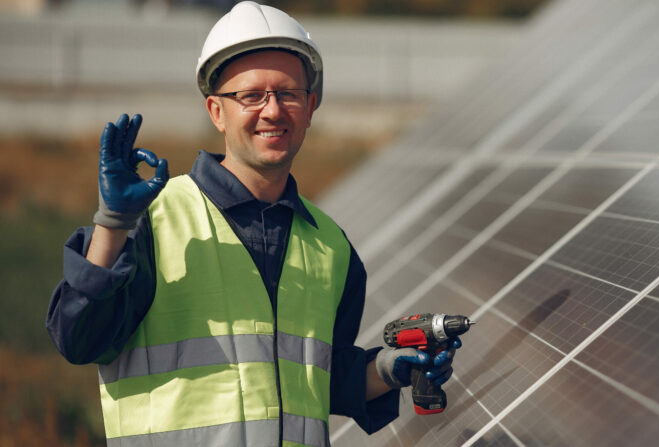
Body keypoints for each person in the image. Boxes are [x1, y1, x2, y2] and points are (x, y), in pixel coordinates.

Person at [45, 2, 461, 446]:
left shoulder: (330, 247)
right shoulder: (154, 221)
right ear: (216, 111)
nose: (273, 111)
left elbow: (313, 385)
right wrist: (112, 224)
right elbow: (78, 340)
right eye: (251, 96)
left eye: (288, 94)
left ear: (311, 105)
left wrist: (384, 371)